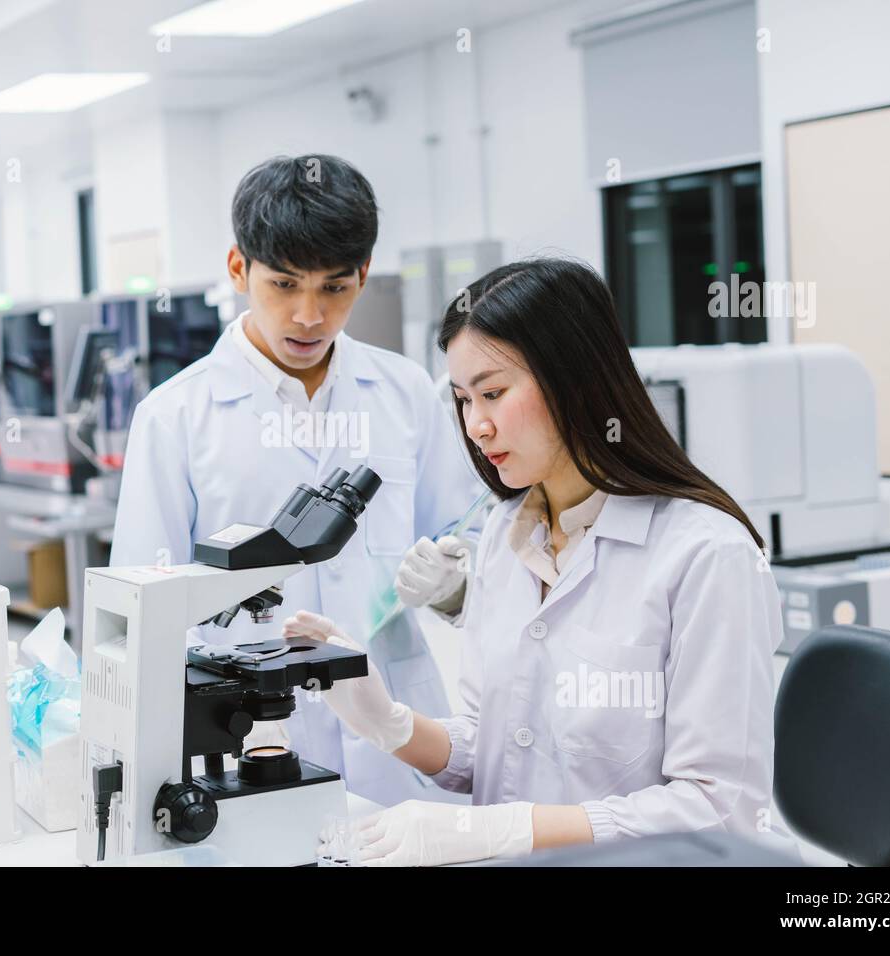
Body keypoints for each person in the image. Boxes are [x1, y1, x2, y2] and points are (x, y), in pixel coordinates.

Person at [284, 257, 786, 865]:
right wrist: (387, 721)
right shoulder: (504, 533)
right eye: (464, 401)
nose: (477, 426)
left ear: (576, 380)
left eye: (493, 393)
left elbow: (717, 810)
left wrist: (507, 830)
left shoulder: (707, 556)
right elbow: (489, 743)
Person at [110, 154, 481, 806]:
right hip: (252, 727)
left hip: (396, 725)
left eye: (334, 288)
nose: (309, 315)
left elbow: (460, 531)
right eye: (284, 285)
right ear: (237, 269)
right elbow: (141, 601)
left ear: (364, 275)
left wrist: (455, 586)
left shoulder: (407, 394)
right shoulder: (174, 417)